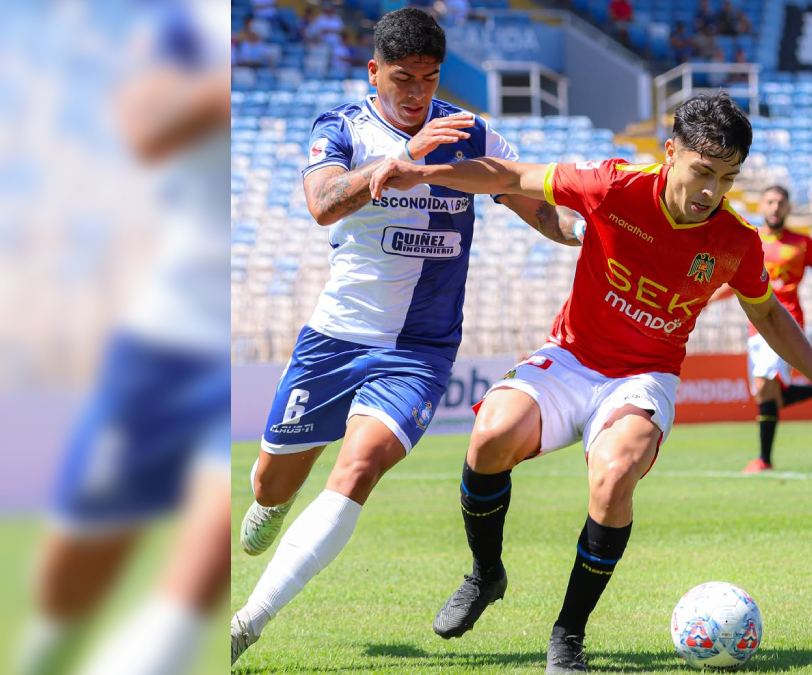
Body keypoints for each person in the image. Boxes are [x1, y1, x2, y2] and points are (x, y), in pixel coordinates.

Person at [367, 92, 812, 674]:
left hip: (645, 375)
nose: (713, 191)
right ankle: (486, 575)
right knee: (490, 436)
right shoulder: (612, 187)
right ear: (670, 154)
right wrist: (419, 171)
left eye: (729, 178)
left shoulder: (736, 241)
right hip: (570, 355)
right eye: (703, 172)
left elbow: (766, 312)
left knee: (613, 478)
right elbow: (510, 173)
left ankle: (568, 636)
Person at [229, 7, 581, 666]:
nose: (417, 92)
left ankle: (248, 621)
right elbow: (322, 204)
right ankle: (269, 504)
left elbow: (537, 206)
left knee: (358, 466)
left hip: (420, 349)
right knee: (273, 484)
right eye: (402, 78)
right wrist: (402, 158)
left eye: (428, 77)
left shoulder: (469, 133)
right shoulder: (341, 126)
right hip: (335, 338)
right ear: (374, 72)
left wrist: (585, 231)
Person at [15, 2, 232, 675]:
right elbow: (140, 130)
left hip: (233, 341)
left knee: (205, 564)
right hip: (170, 334)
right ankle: (47, 651)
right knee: (74, 569)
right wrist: (228, 88)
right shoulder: (190, 23)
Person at [711, 186, 812, 474]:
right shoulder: (750, 240)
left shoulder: (802, 244)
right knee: (768, 396)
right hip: (756, 323)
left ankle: (764, 460)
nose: (775, 207)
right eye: (770, 202)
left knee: (765, 387)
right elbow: (736, 282)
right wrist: (707, 299)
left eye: (781, 203)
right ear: (762, 206)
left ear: (788, 208)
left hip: (787, 320)